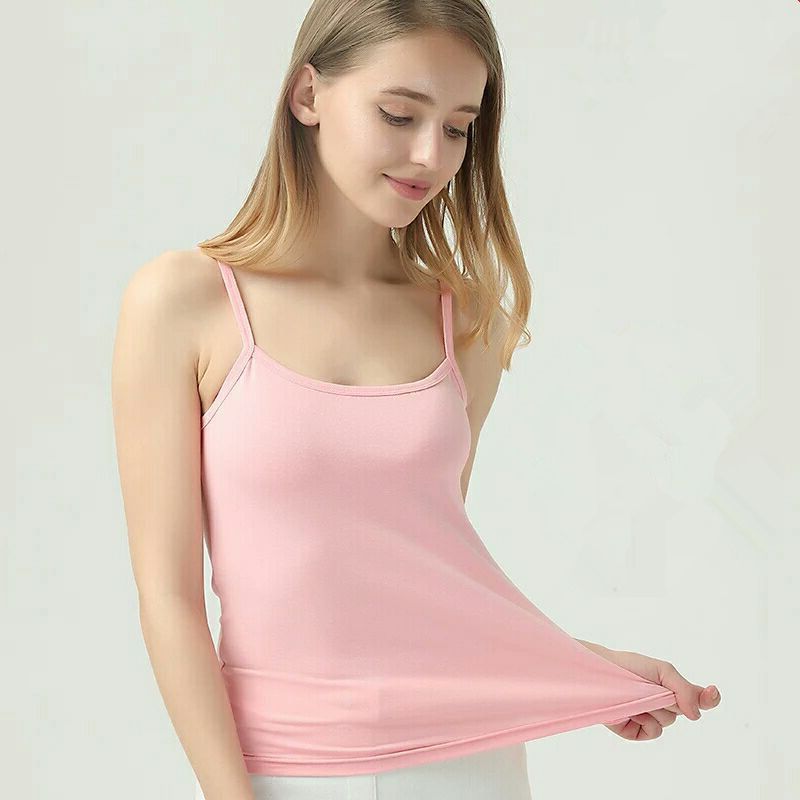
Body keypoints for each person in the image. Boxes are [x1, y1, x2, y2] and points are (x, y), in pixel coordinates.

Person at [111, 2, 722, 799]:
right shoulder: (183, 302)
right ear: (308, 96)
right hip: (283, 768)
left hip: (469, 765)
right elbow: (168, 598)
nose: (431, 155)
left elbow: (414, 586)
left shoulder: (465, 322)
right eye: (399, 115)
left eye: (459, 127)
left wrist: (581, 666)